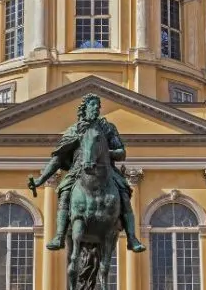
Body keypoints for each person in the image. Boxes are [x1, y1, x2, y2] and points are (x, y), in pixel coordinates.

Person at [28, 93, 145, 253]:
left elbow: (121, 152)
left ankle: (132, 237)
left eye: (98, 106)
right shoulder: (74, 130)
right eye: (92, 105)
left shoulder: (107, 128)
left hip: (107, 170)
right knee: (65, 191)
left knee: (124, 192)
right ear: (84, 108)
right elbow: (57, 159)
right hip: (78, 171)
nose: (96, 108)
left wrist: (105, 152)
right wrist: (40, 180)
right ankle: (60, 235)